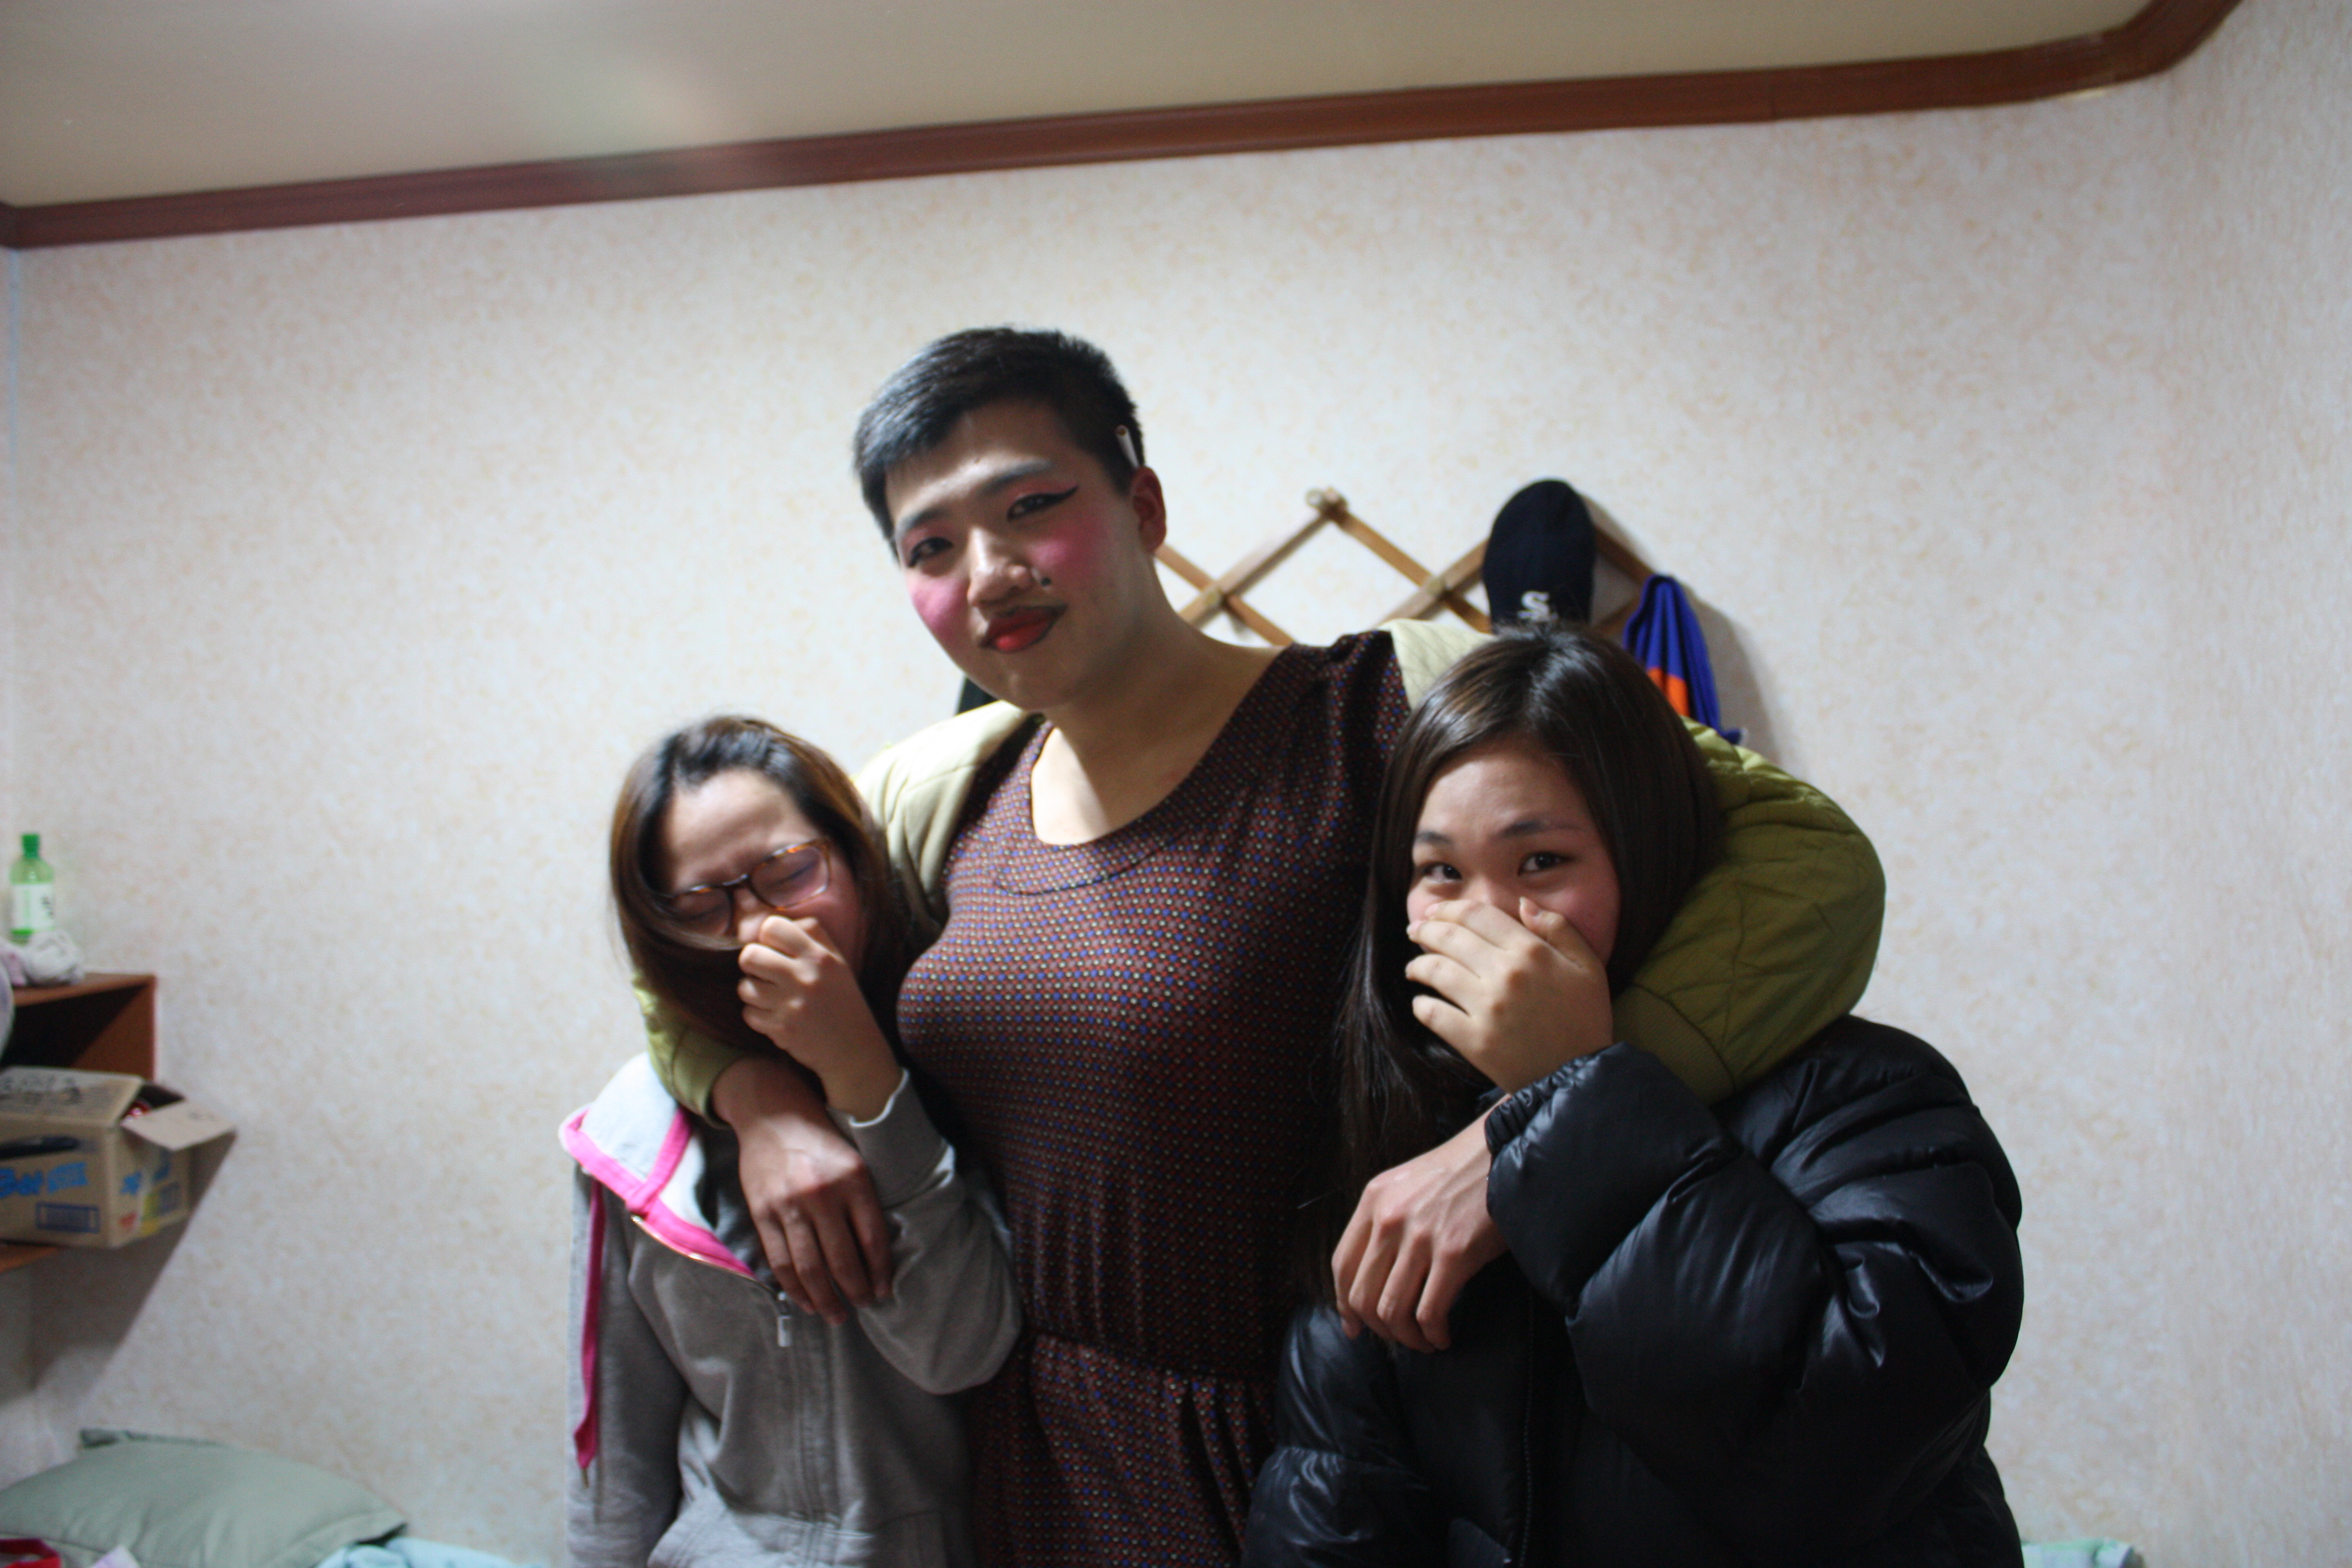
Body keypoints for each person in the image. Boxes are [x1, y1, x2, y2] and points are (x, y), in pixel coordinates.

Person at [643, 329, 1888, 1565]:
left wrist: (1535, 1140)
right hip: (1028, 1462)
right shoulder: (941, 789)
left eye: (1032, 506)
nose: (990, 572)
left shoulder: (1387, 705)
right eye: (931, 547)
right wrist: (765, 1107)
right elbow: (673, 946)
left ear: (1144, 506)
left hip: (1308, 1460)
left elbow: (1809, 855)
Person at [1244, 627, 2025, 1566]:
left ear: (1648, 854)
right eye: (1441, 872)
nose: (1487, 922)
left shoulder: (1869, 1099)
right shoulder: (1402, 1137)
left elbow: (1843, 1452)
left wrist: (1574, 1093)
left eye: (1541, 862)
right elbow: (1334, 1510)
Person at [565, 717, 1020, 1568]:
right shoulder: (634, 1129)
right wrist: (760, 1102)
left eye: (790, 874)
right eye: (703, 908)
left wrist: (861, 1077)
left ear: (855, 857)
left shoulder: (962, 1064)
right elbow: (615, 1447)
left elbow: (960, 1350)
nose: (755, 929)